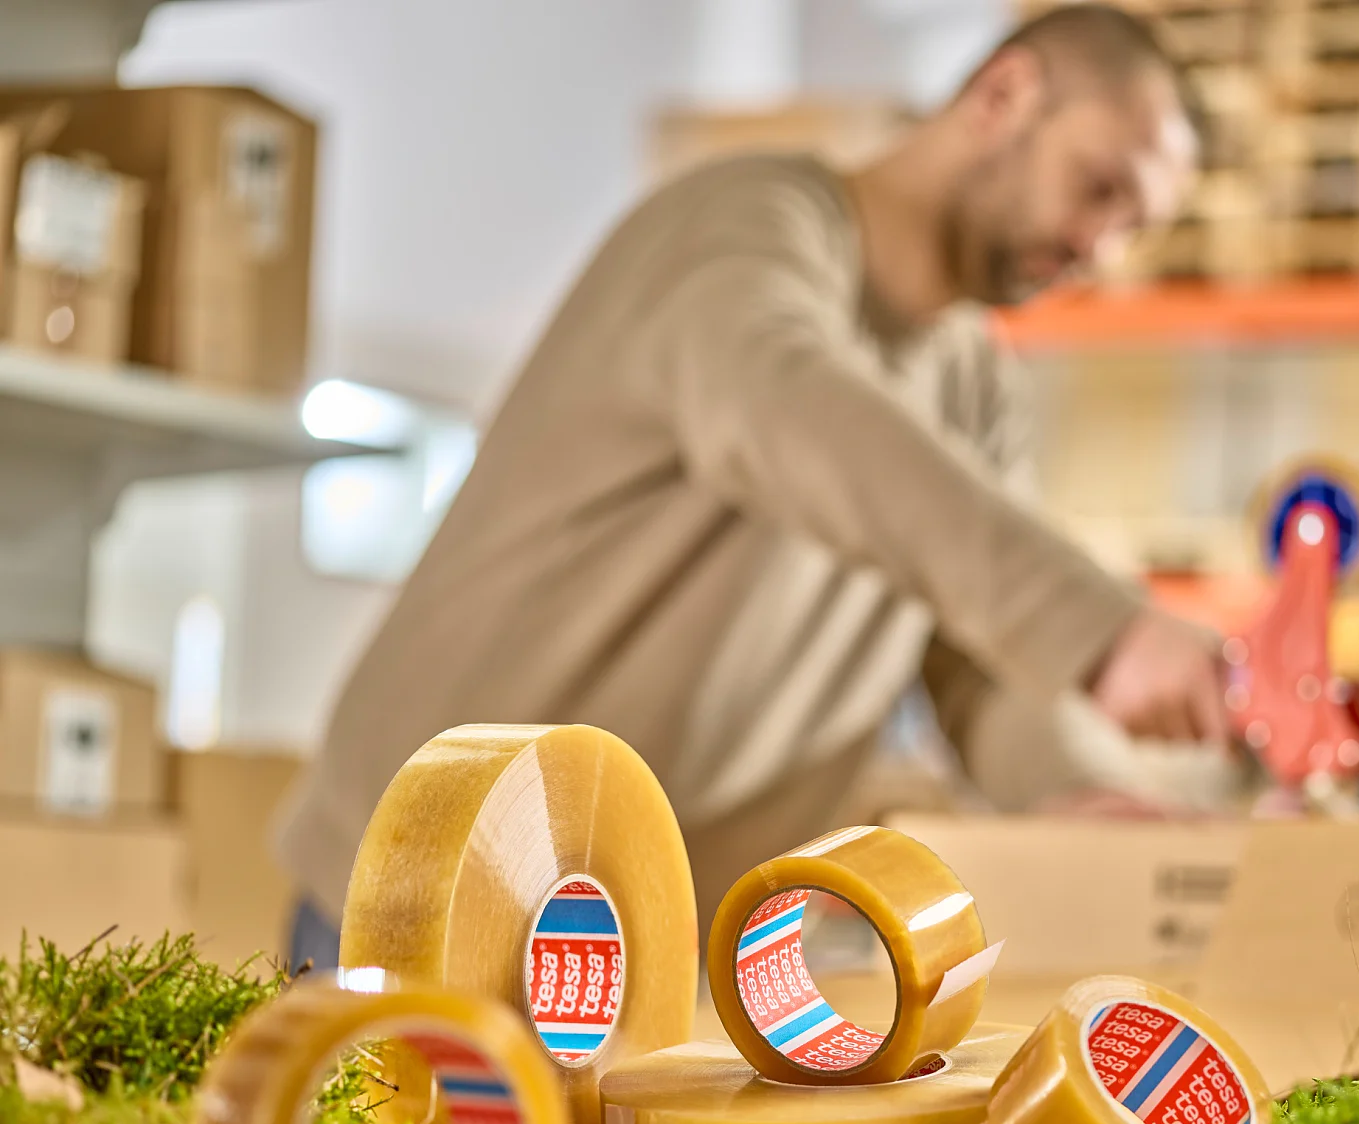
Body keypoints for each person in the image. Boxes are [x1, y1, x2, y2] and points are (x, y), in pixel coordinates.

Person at [280, 3, 1228, 970]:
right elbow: (785, 406)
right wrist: (1101, 628)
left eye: (1133, 227)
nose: (1100, 247)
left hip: (650, 955)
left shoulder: (976, 389)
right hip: (437, 892)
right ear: (1004, 95)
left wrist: (1074, 789)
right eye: (1099, 186)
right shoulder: (743, 226)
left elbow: (977, 656)